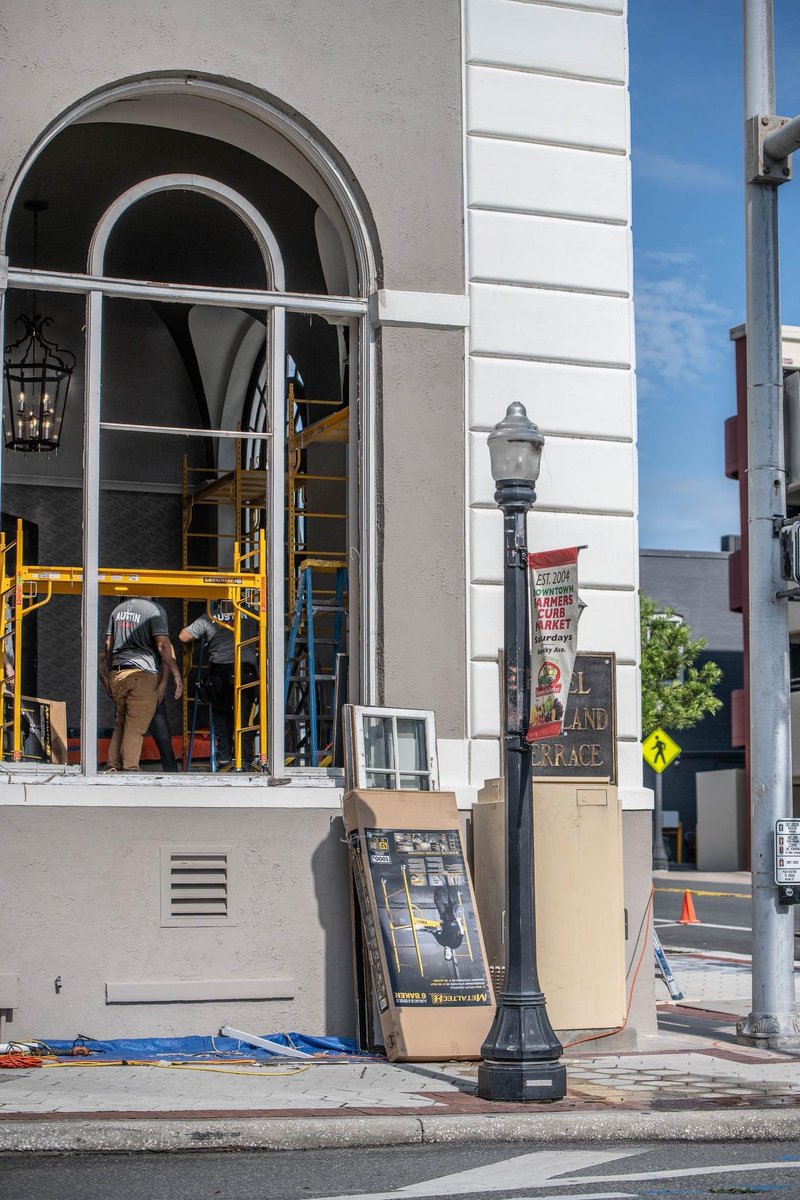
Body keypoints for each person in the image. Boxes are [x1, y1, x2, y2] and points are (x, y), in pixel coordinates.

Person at [99, 597, 182, 772]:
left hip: (118, 673)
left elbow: (108, 644)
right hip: (142, 675)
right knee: (135, 728)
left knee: (121, 723)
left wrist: (112, 669)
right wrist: (176, 675)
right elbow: (163, 645)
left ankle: (113, 764)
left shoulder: (118, 610)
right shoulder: (154, 609)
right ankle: (130, 768)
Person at [179, 607, 258, 768]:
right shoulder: (252, 614)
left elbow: (183, 636)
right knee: (244, 714)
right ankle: (244, 757)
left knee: (221, 711)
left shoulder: (210, 615)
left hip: (220, 667)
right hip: (245, 667)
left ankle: (224, 754)